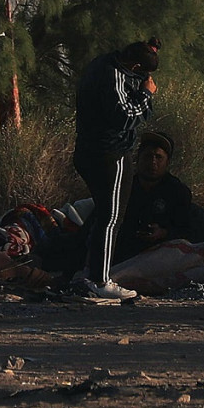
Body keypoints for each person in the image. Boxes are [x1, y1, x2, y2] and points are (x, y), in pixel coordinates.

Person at [73, 37, 161, 300]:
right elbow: (125, 117)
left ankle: (90, 274)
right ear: (134, 65)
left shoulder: (101, 64)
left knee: (103, 216)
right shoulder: (113, 77)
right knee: (111, 218)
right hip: (109, 155)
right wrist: (146, 93)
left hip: (88, 151)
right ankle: (100, 280)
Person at [112, 130, 194, 263]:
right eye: (148, 156)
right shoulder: (123, 187)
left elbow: (189, 231)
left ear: (167, 163)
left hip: (161, 255)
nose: (153, 162)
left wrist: (163, 233)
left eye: (158, 157)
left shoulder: (177, 191)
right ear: (137, 159)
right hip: (124, 250)